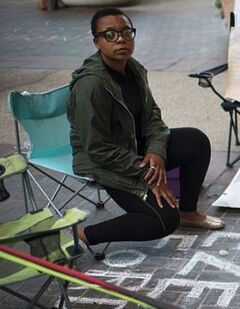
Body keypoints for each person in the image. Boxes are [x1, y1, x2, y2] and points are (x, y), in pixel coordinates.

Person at [68, 8, 224, 247]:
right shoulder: (91, 85)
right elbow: (98, 148)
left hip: (135, 147)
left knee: (196, 141)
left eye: (126, 32)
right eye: (110, 34)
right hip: (104, 163)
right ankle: (83, 235)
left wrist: (156, 152)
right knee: (164, 220)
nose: (120, 39)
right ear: (96, 42)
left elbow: (152, 117)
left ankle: (188, 212)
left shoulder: (133, 68)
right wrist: (150, 175)